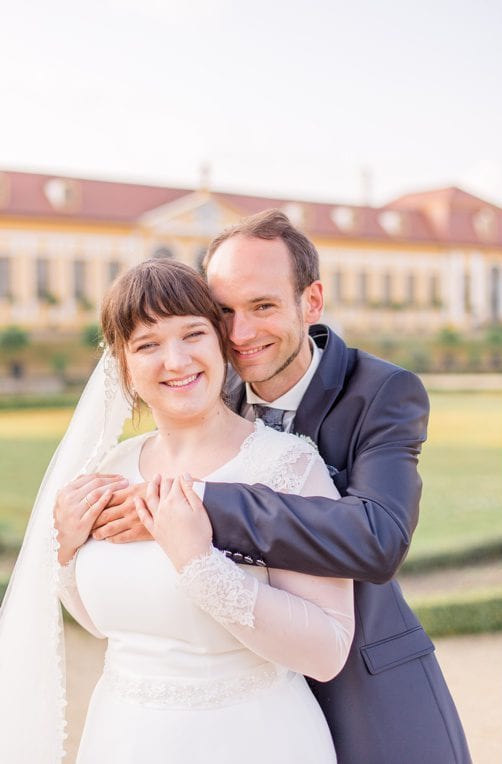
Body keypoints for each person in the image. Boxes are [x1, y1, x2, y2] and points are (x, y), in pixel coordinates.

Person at [89, 210, 470, 762]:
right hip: (230, 693)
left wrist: (199, 501)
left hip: (360, 678)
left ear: (311, 301)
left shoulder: (383, 392)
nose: (240, 335)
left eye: (263, 306)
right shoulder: (205, 384)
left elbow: (378, 538)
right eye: (223, 312)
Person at [1, 259, 354, 763]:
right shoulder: (111, 470)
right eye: (148, 345)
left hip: (255, 739)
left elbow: (327, 651)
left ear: (221, 344)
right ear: (123, 365)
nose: (176, 360)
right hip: (122, 737)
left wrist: (197, 561)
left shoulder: (288, 467)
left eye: (192, 334)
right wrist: (65, 552)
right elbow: (106, 624)